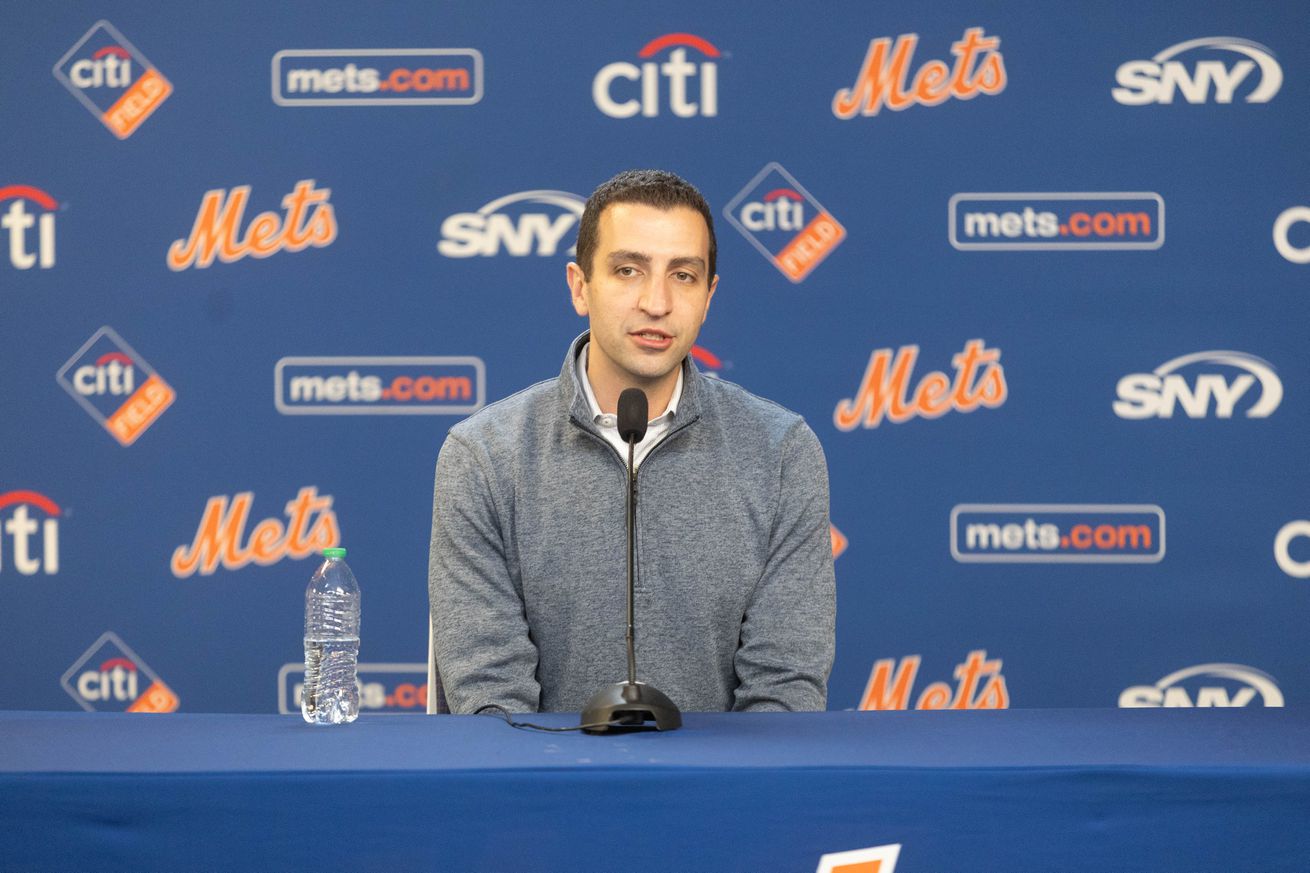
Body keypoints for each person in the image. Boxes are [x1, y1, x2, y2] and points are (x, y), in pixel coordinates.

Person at [427, 169, 835, 714]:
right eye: (628, 270)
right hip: (542, 789)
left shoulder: (781, 451)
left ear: (709, 296)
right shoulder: (484, 455)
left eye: (683, 275)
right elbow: (489, 696)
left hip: (721, 794)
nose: (657, 302)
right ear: (579, 286)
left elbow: (785, 691)